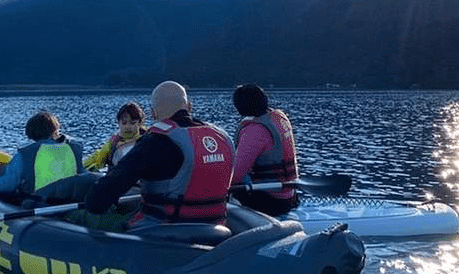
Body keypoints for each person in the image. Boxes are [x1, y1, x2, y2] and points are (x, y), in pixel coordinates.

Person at [82, 80, 235, 229]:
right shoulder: (223, 137)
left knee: (79, 217)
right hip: (217, 225)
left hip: (164, 226)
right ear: (189, 107)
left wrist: (92, 204)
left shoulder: (156, 141)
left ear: (154, 114)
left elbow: (99, 199)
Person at [0, 111, 84, 202]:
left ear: (31, 133)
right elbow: (82, 175)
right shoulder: (74, 148)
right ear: (55, 129)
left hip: (40, 203)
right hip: (69, 201)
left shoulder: (25, 154)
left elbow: (8, 184)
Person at [229, 84, 299, 216]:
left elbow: (236, 175)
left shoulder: (255, 131)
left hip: (270, 200)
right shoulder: (279, 118)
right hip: (289, 195)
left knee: (232, 179)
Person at [83, 101, 148, 172]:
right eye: (124, 123)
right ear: (118, 123)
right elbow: (94, 158)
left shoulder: (146, 141)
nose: (128, 127)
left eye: (133, 123)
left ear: (140, 123)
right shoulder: (113, 143)